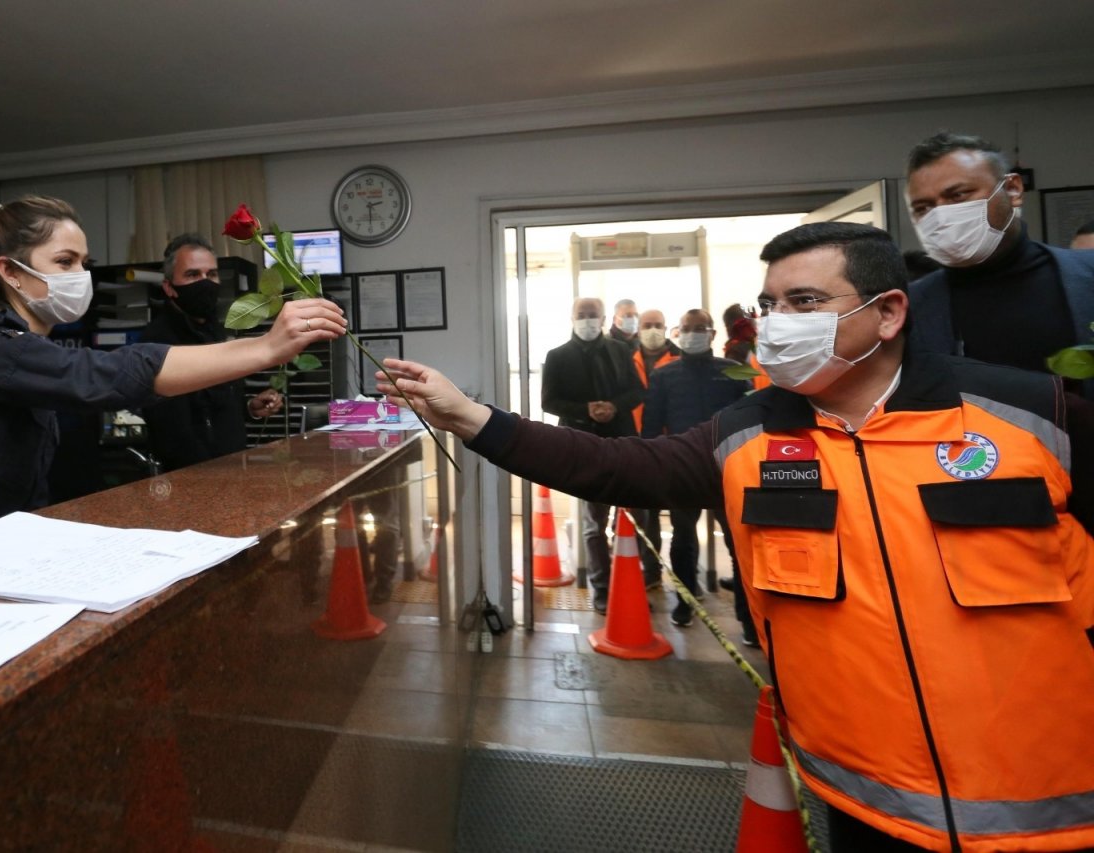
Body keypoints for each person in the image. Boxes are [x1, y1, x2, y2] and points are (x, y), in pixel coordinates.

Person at [377, 222, 1094, 853]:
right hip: (867, 798)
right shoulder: (749, 431)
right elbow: (613, 464)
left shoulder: (1033, 415)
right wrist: (470, 415)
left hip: (1056, 803)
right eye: (770, 305)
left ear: (889, 313)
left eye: (806, 302)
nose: (779, 322)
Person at [0, 194, 344, 560]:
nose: (81, 276)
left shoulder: (28, 351)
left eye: (84, 262)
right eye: (65, 261)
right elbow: (110, 374)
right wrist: (266, 347)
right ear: (10, 272)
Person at [905, 131, 1094, 398]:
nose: (941, 216)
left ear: (1013, 189)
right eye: (923, 208)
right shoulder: (911, 307)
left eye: (958, 195)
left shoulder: (1088, 274)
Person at [641, 309, 750, 633]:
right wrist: (652, 466)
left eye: (699, 328)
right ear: (678, 334)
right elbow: (650, 428)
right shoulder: (664, 375)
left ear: (712, 334)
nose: (692, 334)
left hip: (728, 470)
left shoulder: (735, 371)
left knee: (739, 544)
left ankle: (748, 618)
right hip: (683, 469)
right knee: (683, 539)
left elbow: (749, 418)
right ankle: (685, 602)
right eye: (686, 329)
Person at [139, 233, 285, 471]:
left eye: (211, 274)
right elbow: (173, 434)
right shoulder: (158, 343)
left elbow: (215, 405)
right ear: (169, 287)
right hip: (194, 481)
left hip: (233, 470)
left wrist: (249, 409)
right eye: (192, 274)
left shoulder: (216, 331)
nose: (205, 282)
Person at [541, 296, 644, 614]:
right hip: (582, 443)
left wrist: (614, 406)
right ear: (572, 319)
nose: (587, 320)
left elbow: (638, 390)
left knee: (631, 517)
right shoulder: (557, 356)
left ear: (603, 319)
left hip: (622, 443)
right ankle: (601, 588)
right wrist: (586, 411)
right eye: (581, 315)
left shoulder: (621, 350)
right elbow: (549, 402)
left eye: (592, 315)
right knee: (592, 522)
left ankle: (630, 581)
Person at [629, 309, 679, 590]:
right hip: (632, 442)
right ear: (638, 329)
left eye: (658, 325)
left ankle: (663, 572)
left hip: (667, 445)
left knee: (673, 516)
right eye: (647, 325)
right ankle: (645, 570)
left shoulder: (678, 359)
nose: (653, 330)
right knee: (642, 514)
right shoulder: (627, 359)